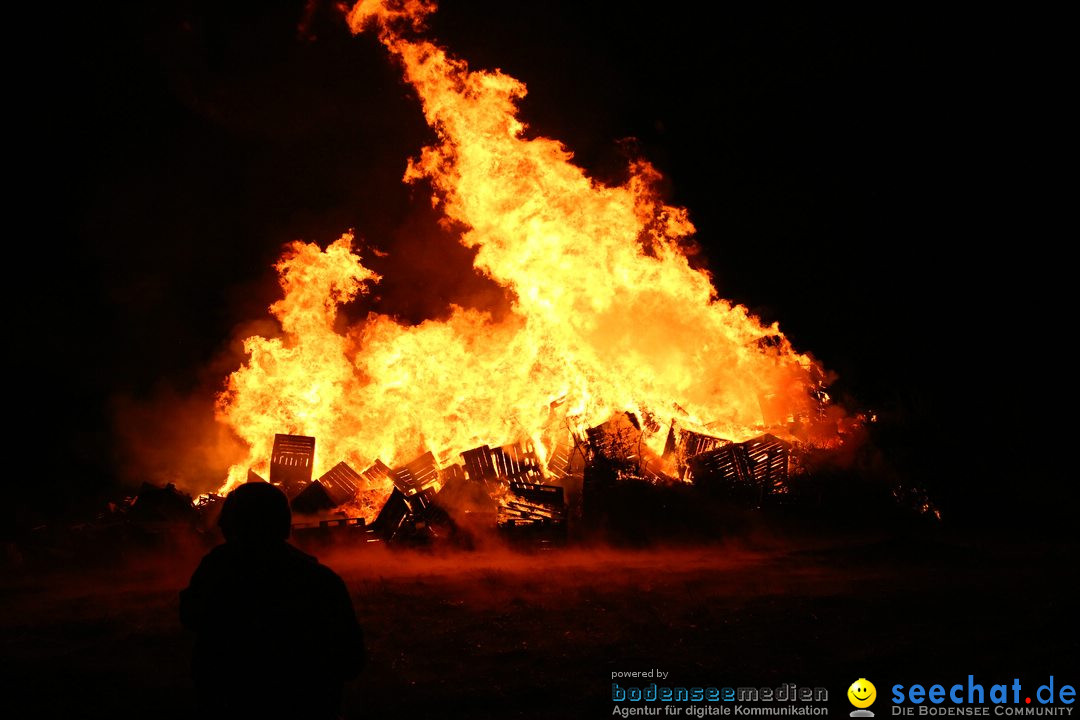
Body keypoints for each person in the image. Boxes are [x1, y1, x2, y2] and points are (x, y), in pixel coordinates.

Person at [180, 482, 365, 719]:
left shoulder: (216, 571)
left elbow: (190, 615)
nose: (220, 525)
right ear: (285, 526)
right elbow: (350, 660)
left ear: (232, 526)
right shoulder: (319, 580)